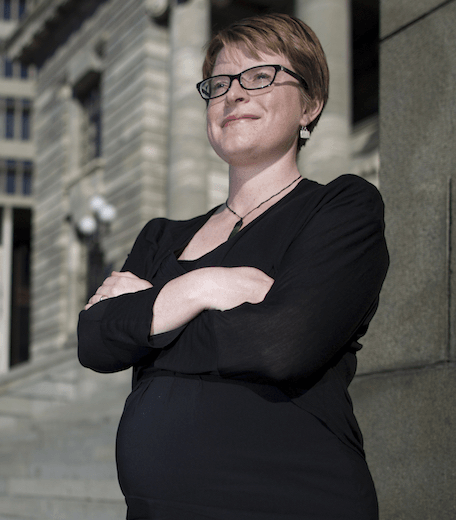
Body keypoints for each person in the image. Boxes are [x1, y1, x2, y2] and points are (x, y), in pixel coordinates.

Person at [77, 13, 388, 520]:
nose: (234, 94)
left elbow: (281, 343)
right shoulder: (161, 236)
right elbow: (93, 340)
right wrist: (202, 286)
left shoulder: (340, 207)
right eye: (220, 83)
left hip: (293, 501)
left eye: (260, 76)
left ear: (310, 105)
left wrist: (147, 319)